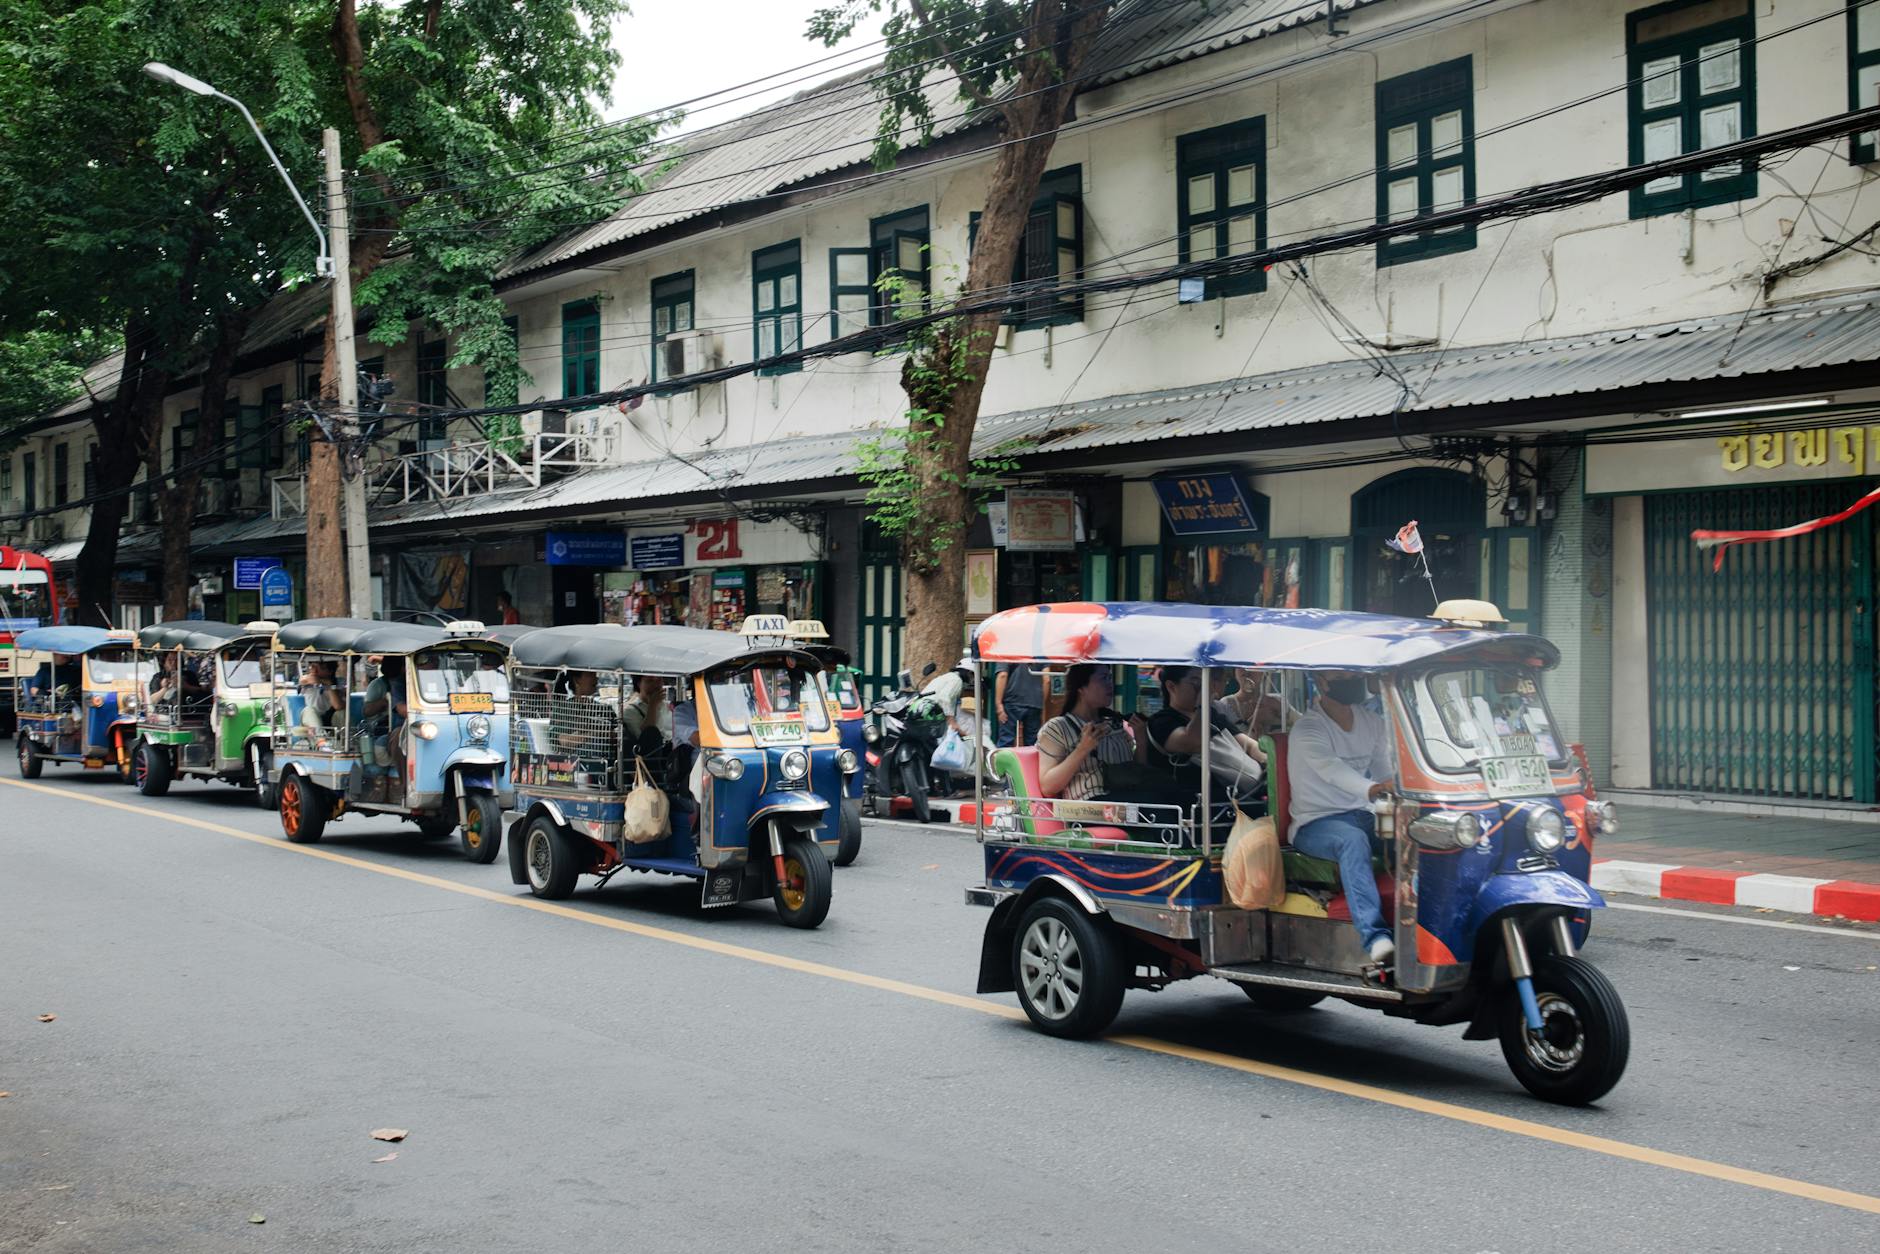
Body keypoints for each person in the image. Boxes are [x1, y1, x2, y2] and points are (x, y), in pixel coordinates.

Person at [1286, 670, 1396, 966]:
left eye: (1353, 672)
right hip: (1315, 823)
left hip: (1361, 813)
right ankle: (1375, 937)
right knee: (1353, 841)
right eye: (1342, 674)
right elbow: (1333, 771)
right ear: (1322, 681)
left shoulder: (1373, 723)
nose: (1351, 678)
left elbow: (1386, 771)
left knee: (1411, 833)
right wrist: (1372, 789)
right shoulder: (1308, 729)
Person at [1035, 663, 1182, 809]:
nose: (1110, 684)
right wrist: (1082, 749)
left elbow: (1136, 770)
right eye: (1103, 678)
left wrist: (1141, 739)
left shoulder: (1114, 724)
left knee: (1180, 798)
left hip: (1127, 798)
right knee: (1159, 804)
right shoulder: (1057, 728)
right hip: (1089, 807)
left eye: (1110, 678)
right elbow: (1048, 787)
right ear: (1081, 687)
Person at [1145, 666, 1267, 796]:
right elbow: (1194, 743)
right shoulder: (1161, 721)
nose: (1203, 687)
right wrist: (1203, 704)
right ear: (1171, 687)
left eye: (1205, 681)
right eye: (1196, 682)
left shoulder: (1213, 716)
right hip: (1194, 802)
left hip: (1241, 794)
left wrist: (1268, 765)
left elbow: (1250, 745)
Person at [995, 661, 1043, 748]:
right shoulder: (1039, 651)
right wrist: (1041, 703)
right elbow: (1046, 679)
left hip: (1012, 701)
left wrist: (998, 704)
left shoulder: (1005, 650)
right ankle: (1030, 762)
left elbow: (1002, 675)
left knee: (1006, 741)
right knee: (1032, 744)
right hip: (1035, 702)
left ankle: (1004, 762)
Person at [298, 658, 346, 731]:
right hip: (312, 721)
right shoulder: (308, 679)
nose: (315, 671)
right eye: (313, 666)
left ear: (330, 671)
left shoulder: (340, 682)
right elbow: (303, 680)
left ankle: (342, 740)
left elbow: (338, 706)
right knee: (309, 710)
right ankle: (321, 740)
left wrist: (329, 685)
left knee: (341, 713)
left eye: (320, 668)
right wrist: (319, 681)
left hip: (332, 719)